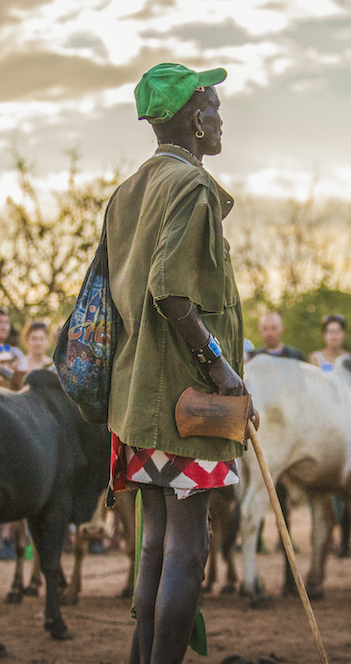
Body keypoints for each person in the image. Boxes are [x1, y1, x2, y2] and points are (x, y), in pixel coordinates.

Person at [107, 62, 256, 664]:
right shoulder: (190, 186)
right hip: (188, 401)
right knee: (188, 553)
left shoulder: (130, 190)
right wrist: (221, 368)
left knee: (155, 546)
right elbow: (172, 292)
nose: (221, 122)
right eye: (216, 109)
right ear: (197, 118)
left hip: (137, 396)